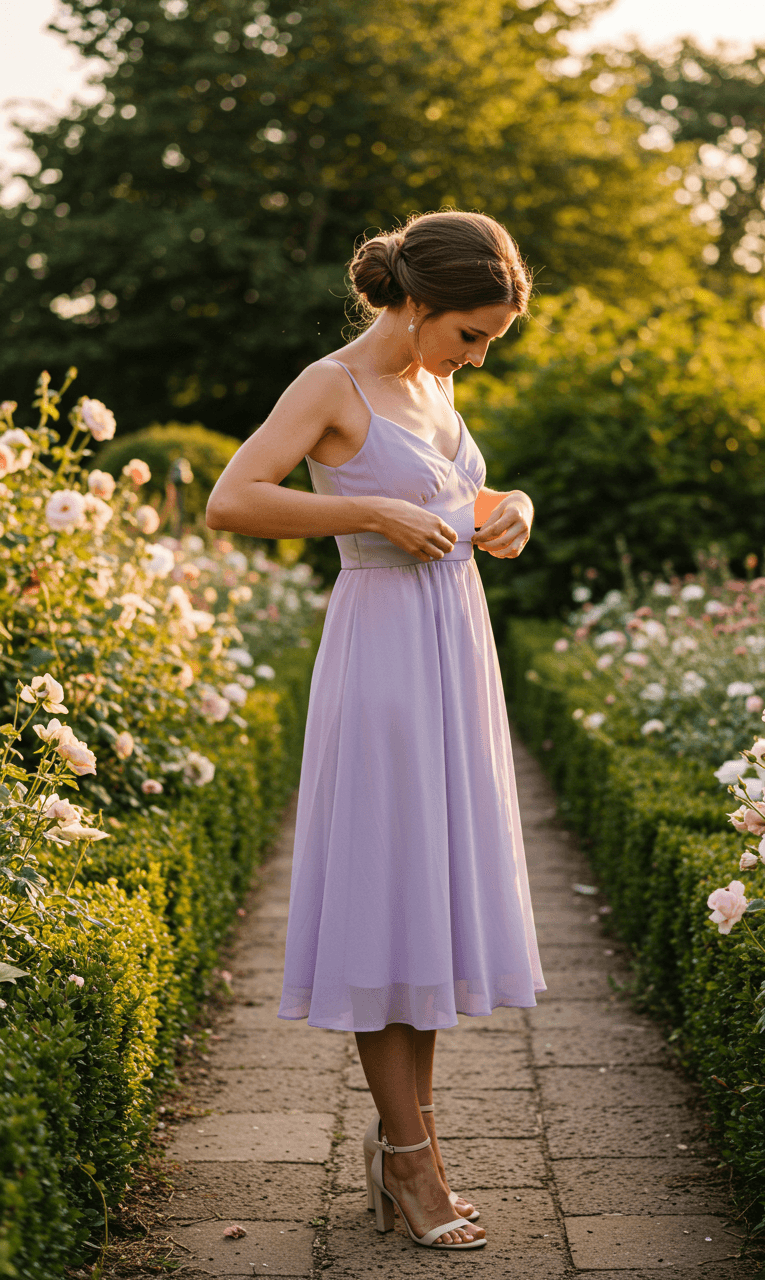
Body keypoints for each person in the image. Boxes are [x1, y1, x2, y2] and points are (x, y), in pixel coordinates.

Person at [206, 209, 545, 1251]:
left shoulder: (434, 384)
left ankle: (413, 1147)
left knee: (427, 906)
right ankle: (410, 1164)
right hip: (385, 659)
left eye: (489, 338)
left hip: (453, 651)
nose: (477, 356)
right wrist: (366, 515)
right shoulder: (330, 385)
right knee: (385, 897)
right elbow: (233, 499)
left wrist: (511, 504)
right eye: (470, 334)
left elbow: (447, 491)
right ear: (413, 303)